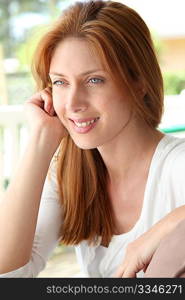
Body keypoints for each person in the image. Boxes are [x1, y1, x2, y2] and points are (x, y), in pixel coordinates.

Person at [0, 0, 185, 278]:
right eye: (61, 82)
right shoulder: (68, 175)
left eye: (94, 80)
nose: (73, 103)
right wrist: (41, 140)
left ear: (139, 81)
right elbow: (10, 270)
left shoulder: (175, 165)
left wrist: (166, 227)